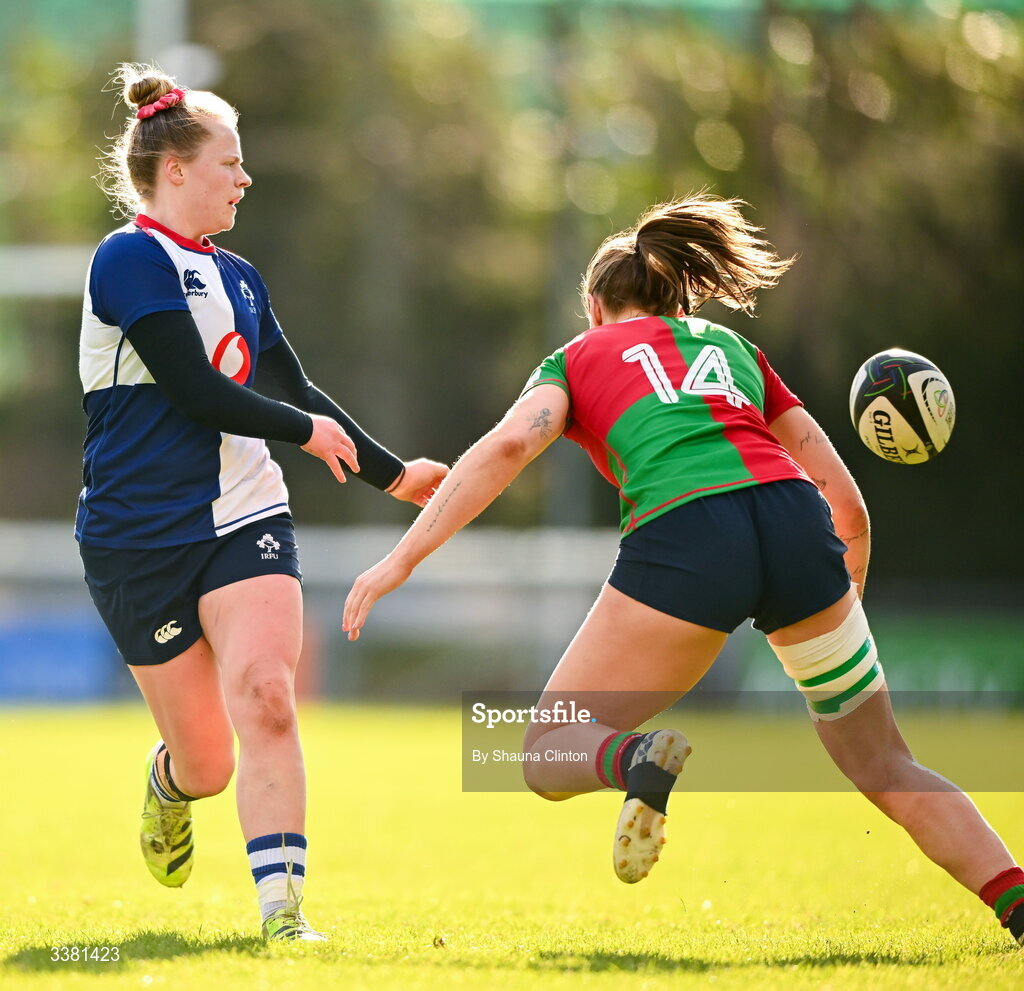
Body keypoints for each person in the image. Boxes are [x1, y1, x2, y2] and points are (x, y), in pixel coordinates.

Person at [343, 195, 1024, 945]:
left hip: (688, 531)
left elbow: (507, 447)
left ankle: (637, 757)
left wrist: (399, 559)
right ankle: (1015, 901)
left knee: (542, 749)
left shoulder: (577, 357)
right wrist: (835, 607)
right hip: (798, 525)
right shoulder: (735, 352)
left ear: (597, 308)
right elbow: (849, 508)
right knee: (887, 762)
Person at [78, 64, 448, 942]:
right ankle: (170, 783)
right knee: (207, 762)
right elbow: (196, 389)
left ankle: (284, 918)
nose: (244, 178)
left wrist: (397, 477)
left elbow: (298, 388)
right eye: (229, 163)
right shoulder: (127, 258)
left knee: (268, 698)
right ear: (175, 171)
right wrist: (302, 428)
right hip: (135, 540)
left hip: (247, 518)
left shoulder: (241, 276)